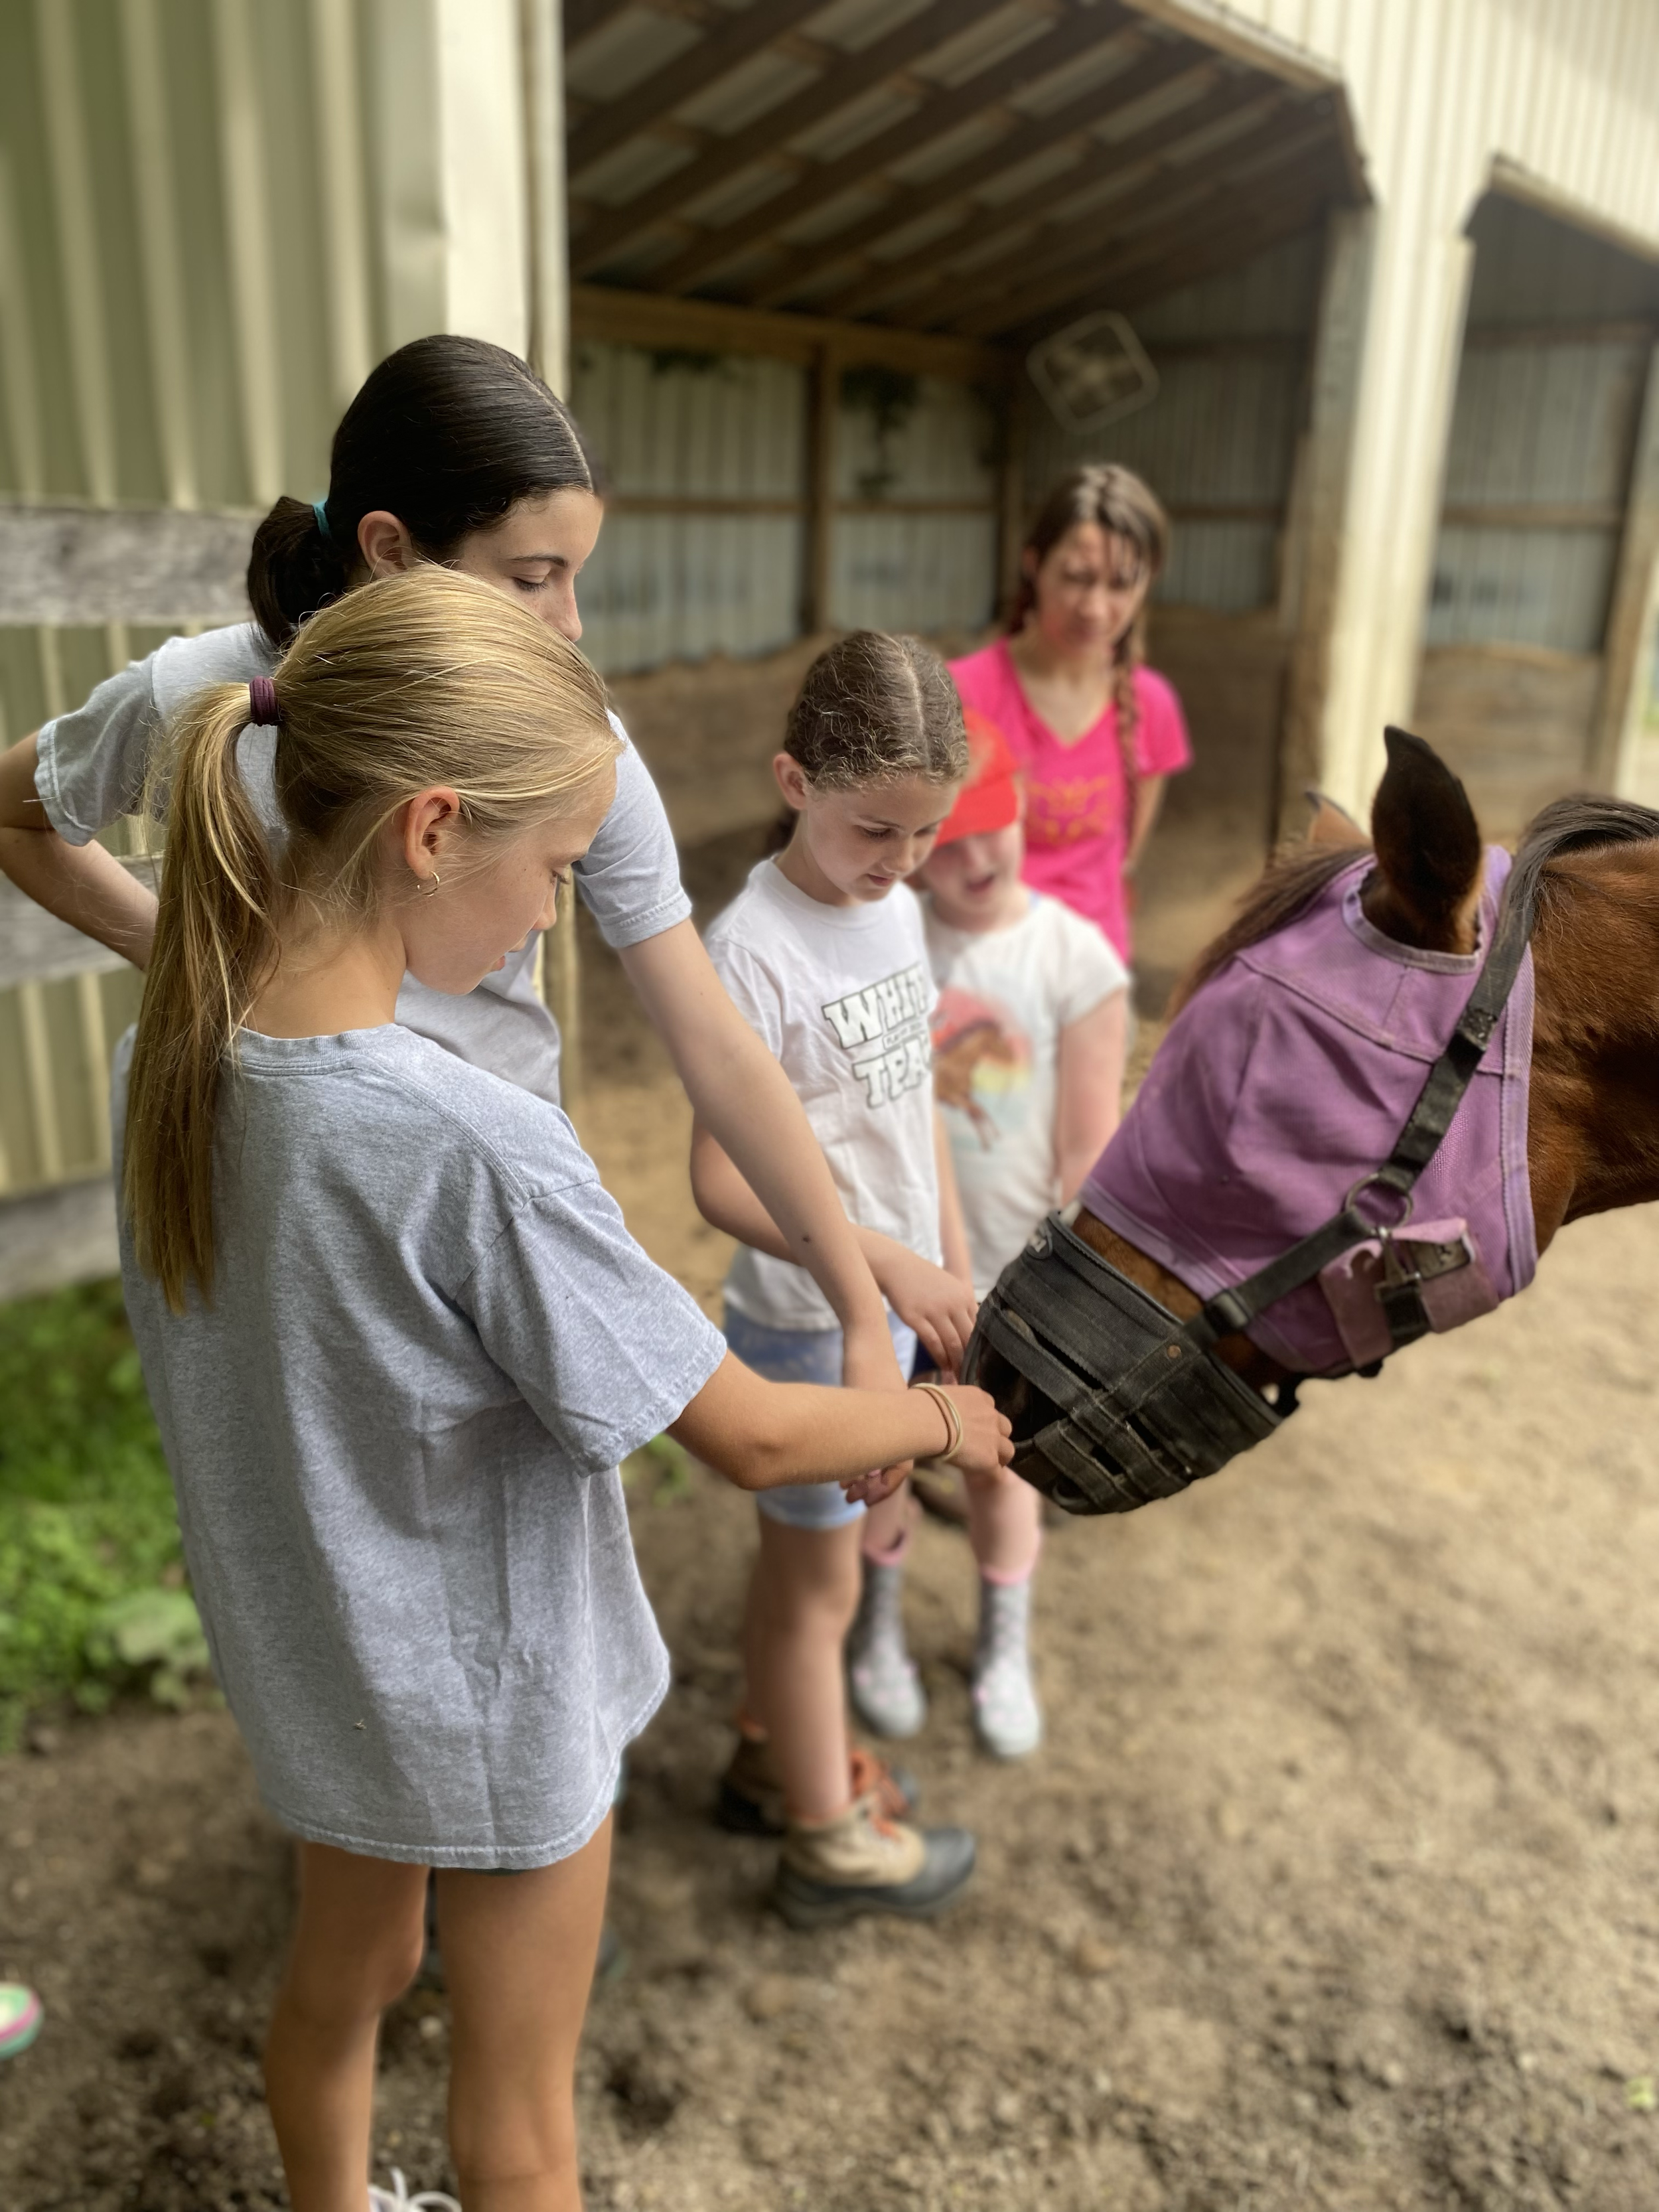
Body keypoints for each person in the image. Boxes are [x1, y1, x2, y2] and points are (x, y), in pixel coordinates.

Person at [115, 567, 1012, 2212]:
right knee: (521, 2130)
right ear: (433, 828)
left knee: (344, 1982)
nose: (549, 917)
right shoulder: (467, 1140)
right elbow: (746, 1429)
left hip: (319, 1666)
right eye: (548, 869)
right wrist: (946, 1419)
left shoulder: (174, 1056)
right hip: (489, 1691)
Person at [0, 334, 906, 1412]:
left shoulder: (573, 746)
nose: (571, 624)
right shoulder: (214, 696)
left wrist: (858, 1307)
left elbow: (713, 1039)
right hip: (294, 1220)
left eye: (577, 576)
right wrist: (203, 959)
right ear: (389, 547)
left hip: (499, 1212)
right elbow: (21, 813)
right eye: (534, 578)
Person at [687, 632, 989, 1929]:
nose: (900, 861)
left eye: (924, 834)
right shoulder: (749, 946)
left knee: (835, 1566)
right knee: (815, 1588)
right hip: (808, 1327)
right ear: (792, 780)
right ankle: (826, 1839)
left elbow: (911, 1093)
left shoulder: (896, 906)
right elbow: (718, 1179)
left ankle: (775, 1754)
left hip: (900, 1303)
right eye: (875, 828)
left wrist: (954, 1251)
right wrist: (882, 1262)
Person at [888, 710, 1129, 1758]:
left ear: (1027, 812)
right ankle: (872, 1632)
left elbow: (1088, 1149)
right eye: (951, 831)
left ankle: (1003, 1644)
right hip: (895, 1265)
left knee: (1000, 1466)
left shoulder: (1076, 958)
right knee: (881, 1455)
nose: (977, 854)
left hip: (1011, 1278)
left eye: (996, 823)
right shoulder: (891, 934)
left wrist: (1071, 1297)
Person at [949, 463, 1190, 966]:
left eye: (1121, 583)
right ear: (1033, 564)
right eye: (1077, 578)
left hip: (1094, 973)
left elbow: (1123, 855)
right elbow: (932, 858)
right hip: (981, 973)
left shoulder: (1153, 705)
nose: (1096, 608)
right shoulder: (964, 692)